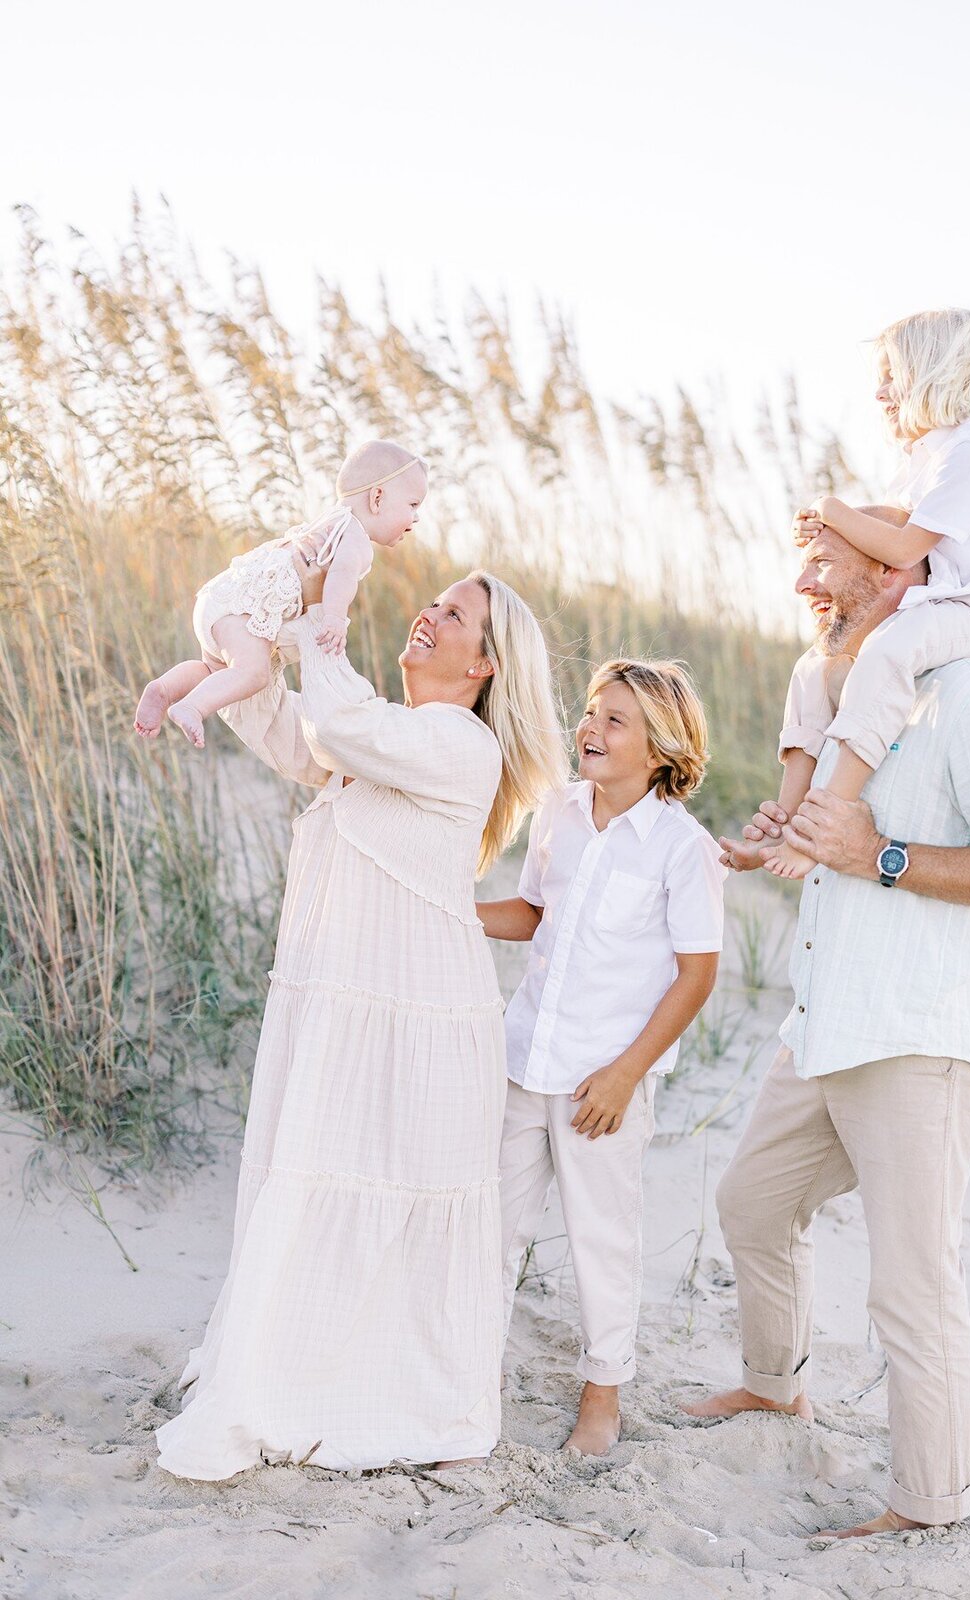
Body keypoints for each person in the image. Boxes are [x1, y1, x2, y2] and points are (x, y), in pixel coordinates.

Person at [688, 521, 970, 1539]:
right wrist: (782, 838)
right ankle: (777, 1385)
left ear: (901, 579)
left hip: (920, 1030)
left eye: (827, 567)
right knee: (753, 1206)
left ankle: (930, 1506)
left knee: (911, 1280)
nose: (803, 582)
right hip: (825, 1020)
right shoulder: (840, 700)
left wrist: (881, 855)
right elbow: (830, 842)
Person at [156, 573, 567, 1480]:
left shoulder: (455, 745)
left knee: (368, 1186)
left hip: (410, 1019)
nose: (429, 615)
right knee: (317, 1177)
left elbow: (337, 726)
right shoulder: (390, 735)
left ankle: (371, 1394)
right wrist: (253, 636)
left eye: (454, 616)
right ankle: (297, 1376)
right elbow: (287, 727)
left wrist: (325, 631)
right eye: (435, 602)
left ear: (486, 663)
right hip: (350, 1008)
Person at [479, 659, 724, 1455]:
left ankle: (602, 1397)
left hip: (601, 1082)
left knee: (601, 1241)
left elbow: (696, 976)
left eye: (616, 720)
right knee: (490, 1226)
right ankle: (466, 1372)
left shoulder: (682, 851)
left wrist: (626, 1073)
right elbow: (532, 912)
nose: (592, 727)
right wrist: (448, 906)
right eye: (591, 711)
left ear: (660, 749)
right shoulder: (558, 812)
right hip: (523, 1058)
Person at [762, 307, 970, 879]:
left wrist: (834, 509)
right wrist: (830, 530)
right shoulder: (926, 458)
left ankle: (827, 816)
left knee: (887, 653)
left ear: (933, 373)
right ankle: (787, 819)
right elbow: (891, 533)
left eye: (892, 375)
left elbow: (901, 550)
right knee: (813, 665)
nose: (879, 392)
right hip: (944, 603)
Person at [134, 440, 426, 748]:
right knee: (254, 673)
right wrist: (335, 618)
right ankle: (191, 706)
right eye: (413, 505)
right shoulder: (354, 538)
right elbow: (341, 576)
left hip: (222, 598)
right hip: (245, 613)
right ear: (377, 498)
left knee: (214, 670)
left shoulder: (326, 522)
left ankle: (164, 690)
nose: (417, 517)